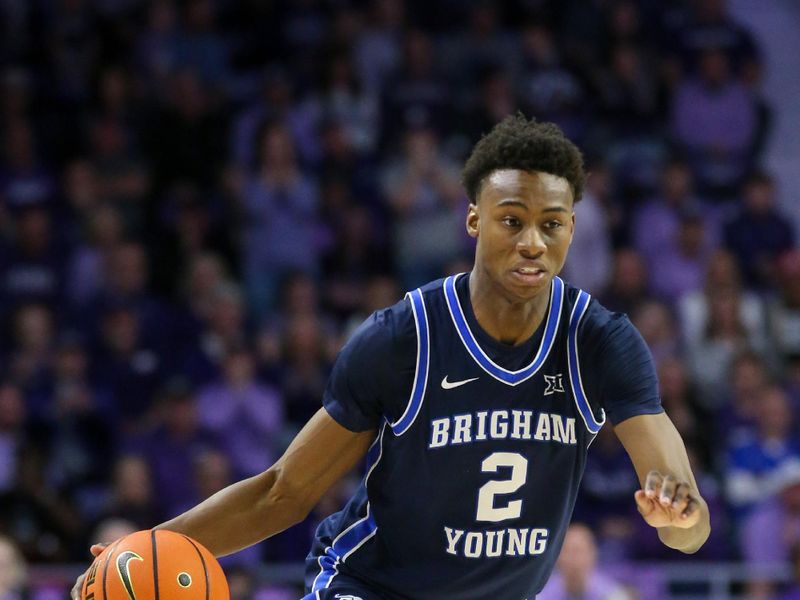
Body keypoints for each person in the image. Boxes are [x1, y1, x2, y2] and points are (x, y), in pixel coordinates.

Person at [71, 115, 710, 600]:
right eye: (511, 220)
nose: (532, 242)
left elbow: (691, 528)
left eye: (553, 224)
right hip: (372, 588)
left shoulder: (601, 342)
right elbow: (283, 493)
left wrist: (676, 515)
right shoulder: (405, 338)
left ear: (574, 227)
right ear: (473, 222)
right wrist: (147, 546)